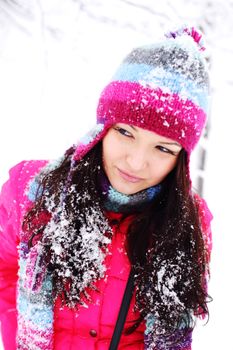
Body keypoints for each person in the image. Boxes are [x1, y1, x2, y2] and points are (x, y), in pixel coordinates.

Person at [0, 26, 213, 350]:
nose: (137, 162)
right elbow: (4, 270)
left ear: (181, 160)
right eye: (126, 132)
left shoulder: (188, 224)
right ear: (102, 128)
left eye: (164, 149)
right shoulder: (32, 192)